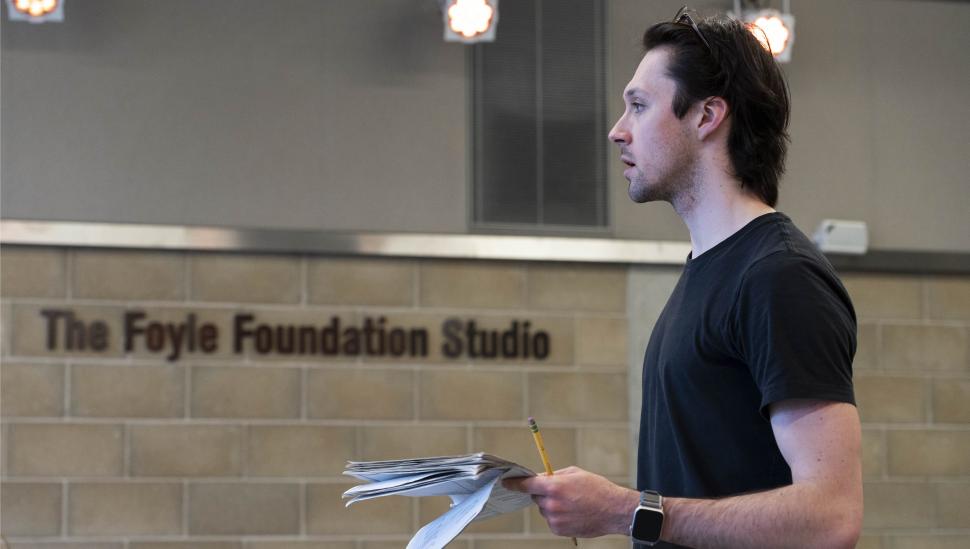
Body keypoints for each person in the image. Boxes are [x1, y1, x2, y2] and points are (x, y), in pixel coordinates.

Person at [505, 7, 863, 548]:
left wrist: (627, 511)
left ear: (706, 116)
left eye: (639, 106)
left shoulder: (779, 276)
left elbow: (831, 518)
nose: (616, 131)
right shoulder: (709, 268)